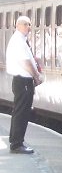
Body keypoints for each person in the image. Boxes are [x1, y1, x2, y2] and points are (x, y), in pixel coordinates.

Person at [6, 15, 41, 154]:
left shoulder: (20, 40)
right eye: (26, 24)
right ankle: (17, 144)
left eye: (29, 24)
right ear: (18, 26)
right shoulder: (18, 41)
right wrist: (36, 76)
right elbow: (24, 62)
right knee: (22, 112)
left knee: (19, 111)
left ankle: (15, 141)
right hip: (23, 81)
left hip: (22, 81)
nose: (29, 27)